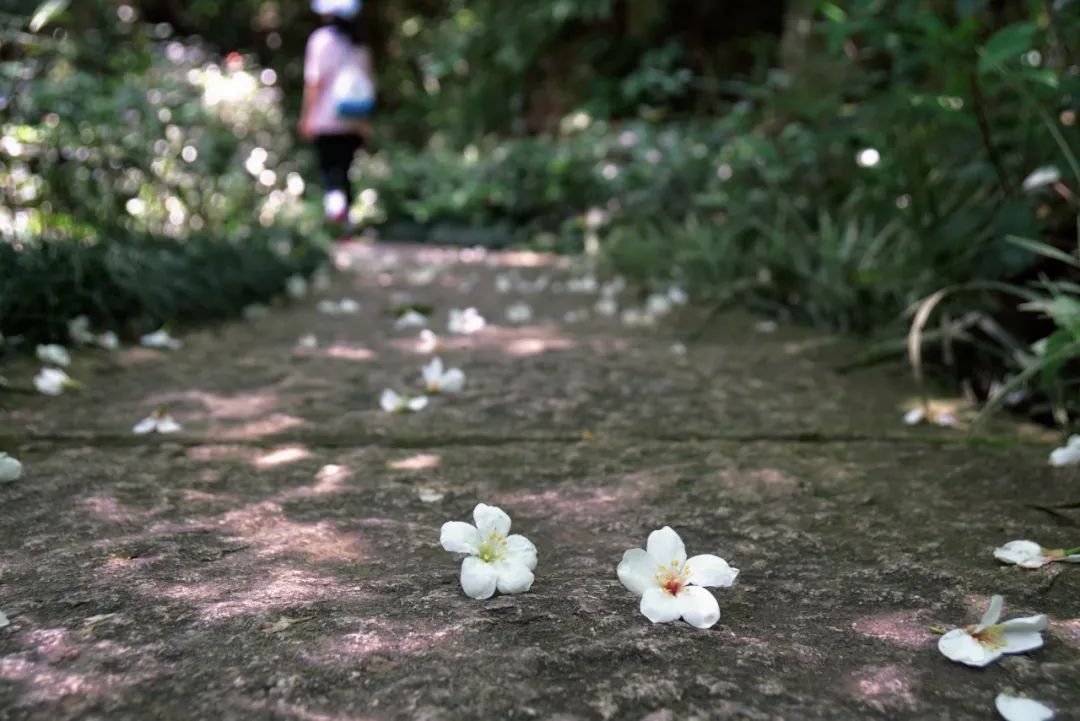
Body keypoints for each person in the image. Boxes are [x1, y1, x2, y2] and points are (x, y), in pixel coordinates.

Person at [299, 0, 374, 231]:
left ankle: (336, 221)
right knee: (346, 172)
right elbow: (368, 86)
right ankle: (348, 224)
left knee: (330, 173)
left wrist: (307, 117)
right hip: (353, 122)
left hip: (325, 120)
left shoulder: (321, 41)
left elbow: (314, 83)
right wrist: (365, 125)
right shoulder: (359, 46)